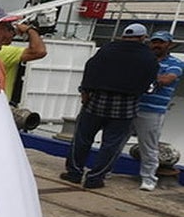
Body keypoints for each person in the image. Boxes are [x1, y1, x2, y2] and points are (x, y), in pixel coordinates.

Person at [61, 23, 159, 190]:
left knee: (82, 139)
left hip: (96, 102)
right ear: (143, 38)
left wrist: (85, 92)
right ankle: (95, 178)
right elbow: (149, 84)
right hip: (125, 107)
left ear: (123, 36)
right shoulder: (148, 57)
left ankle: (74, 173)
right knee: (111, 144)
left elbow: (90, 69)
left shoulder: (107, 49)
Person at [130, 31, 182, 191]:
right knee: (116, 141)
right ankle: (106, 171)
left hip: (152, 110)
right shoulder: (144, 59)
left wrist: (143, 77)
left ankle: (149, 179)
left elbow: (167, 79)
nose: (156, 45)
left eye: (161, 42)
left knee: (149, 146)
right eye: (154, 42)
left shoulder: (175, 62)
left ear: (169, 45)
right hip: (130, 106)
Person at [0, 21, 47, 103]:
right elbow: (40, 51)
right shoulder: (4, 52)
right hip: (0, 105)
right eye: (10, 30)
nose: (13, 35)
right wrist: (30, 30)